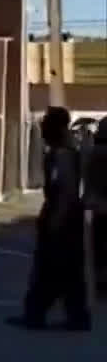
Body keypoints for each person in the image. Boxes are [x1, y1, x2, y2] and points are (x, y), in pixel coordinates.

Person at [8, 106, 91, 331]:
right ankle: (75, 317)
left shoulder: (63, 156)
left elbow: (65, 192)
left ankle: (37, 314)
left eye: (46, 124)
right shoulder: (62, 153)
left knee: (50, 270)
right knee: (69, 272)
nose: (43, 128)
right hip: (65, 221)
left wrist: (55, 224)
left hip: (62, 223)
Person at [87, 117, 107, 299]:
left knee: (99, 248)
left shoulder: (95, 153)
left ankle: (101, 283)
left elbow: (91, 181)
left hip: (100, 207)